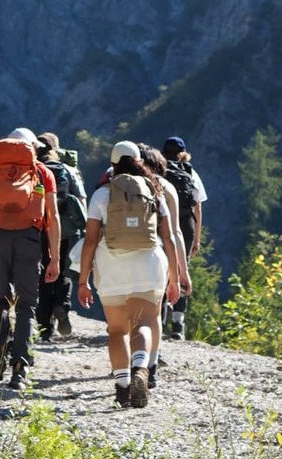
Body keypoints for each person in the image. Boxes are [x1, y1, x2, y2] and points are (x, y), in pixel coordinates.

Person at [78, 141, 181, 408]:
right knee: (142, 323)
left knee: (116, 330)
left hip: (112, 270)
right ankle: (140, 369)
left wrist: (83, 280)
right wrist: (175, 276)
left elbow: (90, 241)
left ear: (112, 164)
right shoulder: (154, 191)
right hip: (148, 266)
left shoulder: (102, 195)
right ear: (139, 162)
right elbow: (169, 238)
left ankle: (123, 387)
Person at [0, 127, 61, 390]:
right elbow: (53, 217)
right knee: (26, 305)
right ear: (33, 148)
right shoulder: (43, 173)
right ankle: (20, 369)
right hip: (29, 240)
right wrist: (55, 258)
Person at [138, 143, 192, 387]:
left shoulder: (116, 184)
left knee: (131, 311)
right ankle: (151, 365)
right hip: (156, 257)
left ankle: (130, 363)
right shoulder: (165, 187)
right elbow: (175, 234)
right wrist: (181, 271)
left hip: (122, 256)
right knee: (155, 313)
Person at [34, 132, 87, 342]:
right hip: (65, 231)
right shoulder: (68, 170)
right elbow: (81, 199)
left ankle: (44, 328)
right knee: (64, 270)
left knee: (43, 275)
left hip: (39, 229)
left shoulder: (34, 170)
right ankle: (61, 305)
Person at [160, 136, 208, 340]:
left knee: (162, 268)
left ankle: (159, 318)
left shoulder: (158, 170)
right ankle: (178, 325)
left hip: (162, 225)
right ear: (184, 153)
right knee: (181, 268)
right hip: (186, 225)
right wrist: (196, 239)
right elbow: (198, 207)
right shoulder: (190, 172)